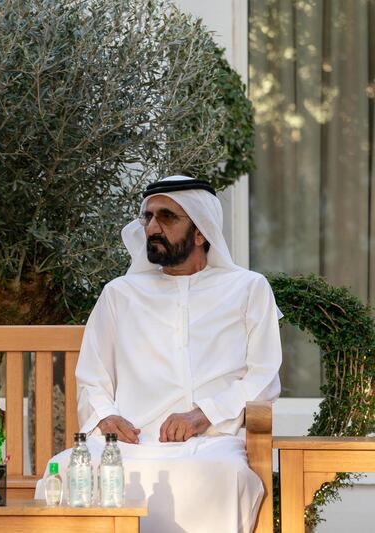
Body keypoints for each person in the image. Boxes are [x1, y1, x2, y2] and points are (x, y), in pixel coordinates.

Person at [35, 176, 282, 533]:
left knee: (220, 478)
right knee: (70, 467)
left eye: (167, 217)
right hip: (128, 444)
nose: (152, 227)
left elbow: (263, 378)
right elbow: (92, 377)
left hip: (210, 444)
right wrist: (105, 417)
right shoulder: (120, 294)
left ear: (201, 232)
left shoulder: (248, 289)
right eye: (148, 217)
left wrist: (203, 415)